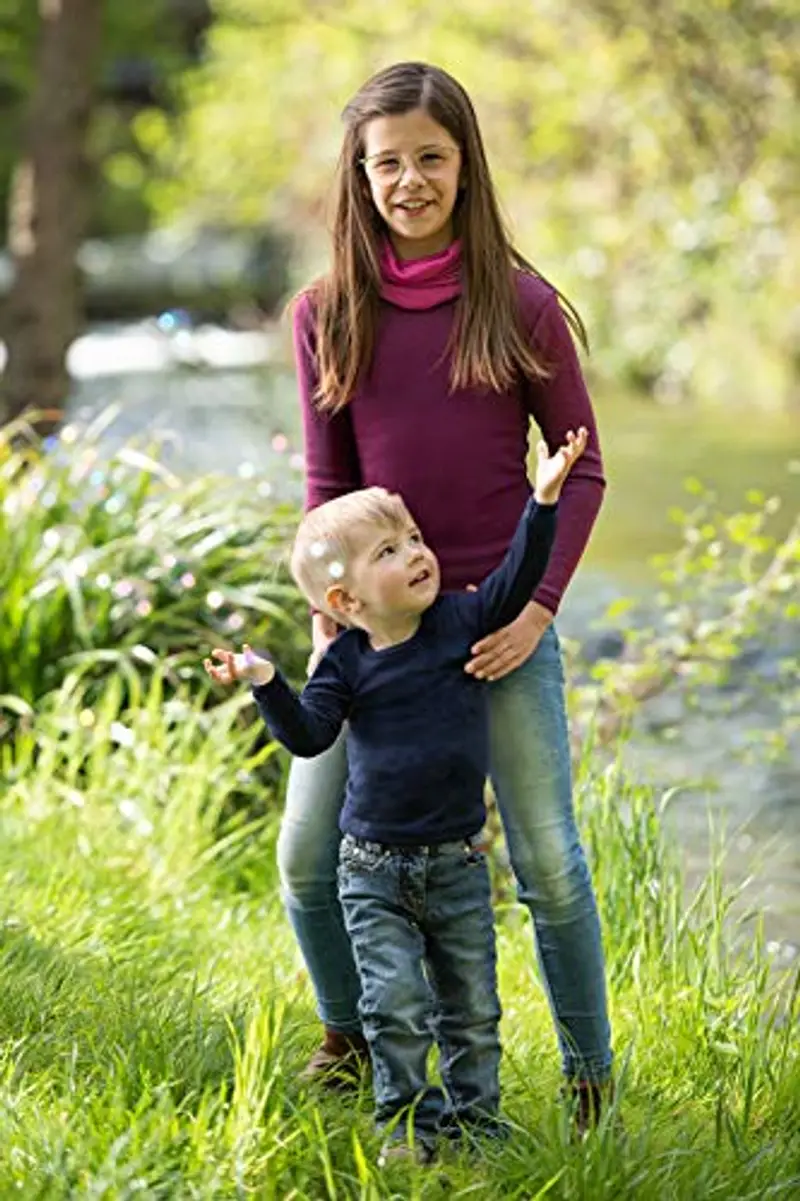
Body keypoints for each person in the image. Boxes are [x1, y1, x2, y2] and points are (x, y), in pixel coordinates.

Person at [283, 60, 613, 1134]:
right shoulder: (326, 310)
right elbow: (326, 486)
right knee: (302, 856)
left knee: (549, 864)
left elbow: (584, 466)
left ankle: (586, 1080)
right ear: (359, 175)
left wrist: (537, 609)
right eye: (388, 163)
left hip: (493, 625)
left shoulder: (519, 304)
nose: (410, 180)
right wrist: (327, 619)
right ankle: (350, 1035)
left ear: (464, 165)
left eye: (430, 158)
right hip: (370, 636)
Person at [205, 429, 587, 1161]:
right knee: (395, 1007)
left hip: (457, 864)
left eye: (413, 538)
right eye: (390, 551)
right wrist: (265, 683)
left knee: (472, 1007)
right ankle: (407, 1124)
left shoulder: (461, 618)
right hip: (371, 870)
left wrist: (542, 501)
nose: (416, 553)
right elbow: (311, 737)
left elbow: (517, 576)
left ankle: (477, 1125)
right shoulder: (344, 662)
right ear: (345, 599)